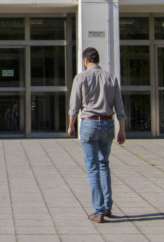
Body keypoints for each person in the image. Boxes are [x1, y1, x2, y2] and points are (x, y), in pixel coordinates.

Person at [68, 47, 126, 223]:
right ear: (97, 60)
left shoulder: (81, 78)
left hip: (89, 123)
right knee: (104, 164)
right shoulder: (111, 78)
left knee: (92, 167)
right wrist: (122, 130)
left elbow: (74, 105)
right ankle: (107, 205)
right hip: (108, 123)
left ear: (85, 61)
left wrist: (71, 125)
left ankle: (98, 211)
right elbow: (120, 108)